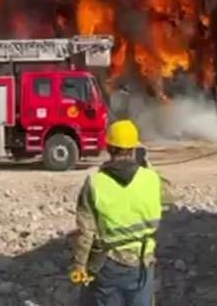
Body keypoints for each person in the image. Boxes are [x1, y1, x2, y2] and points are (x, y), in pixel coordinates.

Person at [71, 120, 171, 306]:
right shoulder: (151, 179)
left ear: (109, 147)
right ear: (134, 148)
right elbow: (169, 199)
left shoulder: (95, 182)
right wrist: (147, 165)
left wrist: (79, 266)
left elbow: (85, 233)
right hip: (143, 263)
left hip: (109, 264)